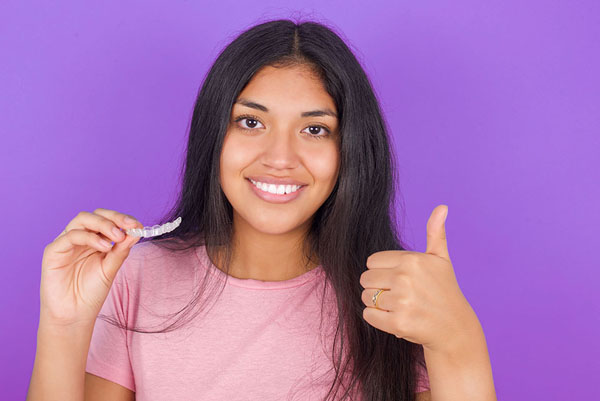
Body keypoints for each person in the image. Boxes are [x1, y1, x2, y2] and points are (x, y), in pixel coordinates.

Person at [27, 19, 496, 401]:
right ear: (215, 137)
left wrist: (459, 340)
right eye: (251, 122)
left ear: (351, 150)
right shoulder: (138, 277)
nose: (279, 157)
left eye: (314, 130)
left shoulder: (395, 298)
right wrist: (65, 325)